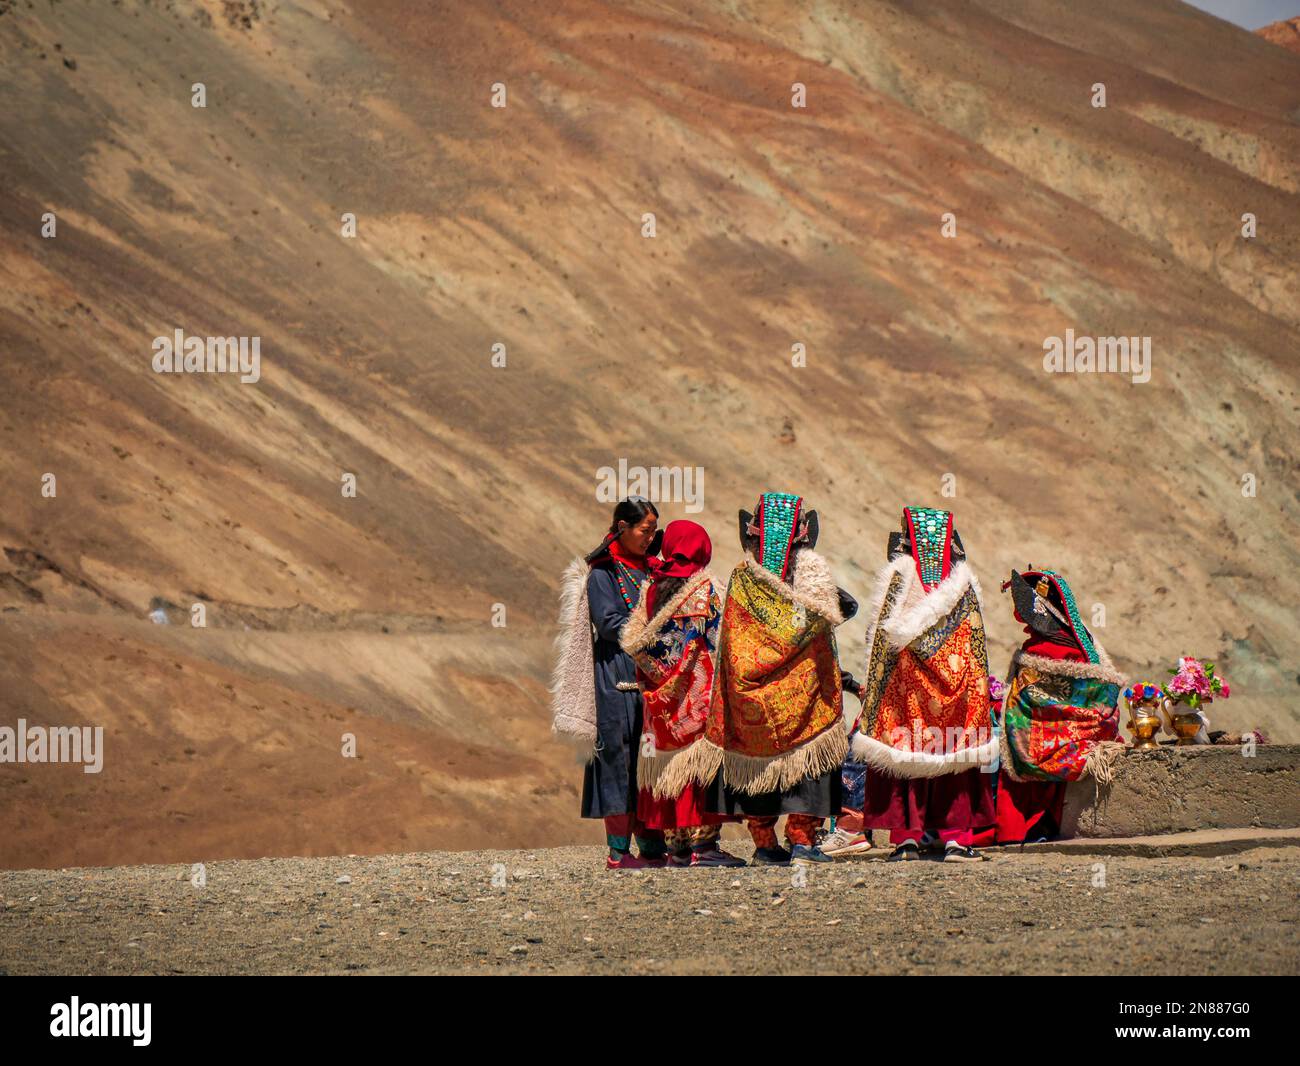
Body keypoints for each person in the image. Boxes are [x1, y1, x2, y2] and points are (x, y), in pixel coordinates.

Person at [676, 492, 856, 866]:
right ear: (802, 539)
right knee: (810, 767)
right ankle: (802, 841)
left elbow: (736, 643)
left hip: (752, 699)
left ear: (754, 538)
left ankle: (765, 844)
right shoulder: (812, 581)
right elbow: (836, 613)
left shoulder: (743, 580)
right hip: (808, 699)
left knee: (757, 772)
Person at [850, 507, 997, 862]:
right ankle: (956, 840)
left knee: (908, 763)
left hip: (907, 694)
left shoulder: (899, 580)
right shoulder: (963, 588)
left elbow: (881, 644)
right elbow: (975, 648)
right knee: (953, 765)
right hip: (957, 694)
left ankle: (906, 841)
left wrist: (877, 696)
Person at [620, 520, 744, 868]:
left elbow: (641, 643)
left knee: (667, 770)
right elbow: (723, 643)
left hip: (659, 705)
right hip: (699, 699)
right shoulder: (708, 590)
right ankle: (704, 847)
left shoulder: (650, 590)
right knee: (701, 769)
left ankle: (675, 847)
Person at [552, 497, 667, 869]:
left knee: (650, 764)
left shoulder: (651, 569)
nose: (650, 538)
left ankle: (652, 848)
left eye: (653, 531)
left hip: (649, 681)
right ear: (622, 528)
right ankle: (618, 852)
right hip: (614, 679)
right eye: (644, 531)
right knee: (618, 760)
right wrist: (654, 630)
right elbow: (608, 623)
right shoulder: (603, 572)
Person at [993, 568, 1126, 843]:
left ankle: (1018, 826)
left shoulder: (1042, 648)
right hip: (1087, 733)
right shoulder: (1083, 640)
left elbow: (1026, 702)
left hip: (1039, 737)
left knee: (1004, 739)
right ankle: (1044, 824)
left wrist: (997, 705)